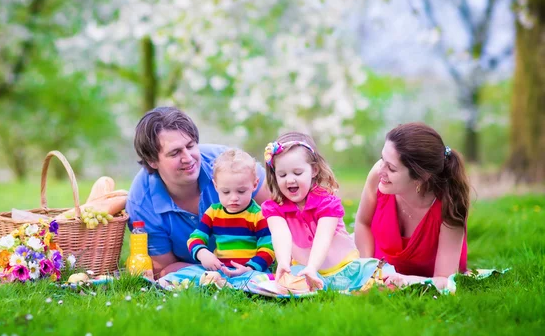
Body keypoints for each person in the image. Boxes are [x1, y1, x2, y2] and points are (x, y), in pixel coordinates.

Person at [126, 107, 270, 278]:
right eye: (175, 152)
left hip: (251, 266)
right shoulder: (142, 204)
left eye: (190, 146)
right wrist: (216, 274)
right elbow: (163, 269)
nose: (188, 158)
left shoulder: (228, 165)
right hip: (198, 270)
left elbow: (280, 209)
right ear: (152, 161)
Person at [262, 132, 393, 292]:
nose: (290, 179)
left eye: (297, 173)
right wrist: (283, 262)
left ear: (314, 170)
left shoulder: (326, 202)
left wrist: (312, 267)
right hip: (304, 271)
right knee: (288, 284)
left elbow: (323, 237)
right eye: (282, 174)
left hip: (345, 268)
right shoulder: (275, 208)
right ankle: (315, 285)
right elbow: (280, 234)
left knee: (382, 277)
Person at [354, 122, 470, 290]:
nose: (381, 170)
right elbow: (362, 222)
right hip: (380, 271)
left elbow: (445, 280)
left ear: (421, 177)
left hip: (424, 278)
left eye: (392, 168)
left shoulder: (450, 205)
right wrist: (365, 269)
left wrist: (405, 281)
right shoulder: (377, 176)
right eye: (382, 160)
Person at [157, 149, 275, 288]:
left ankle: (238, 285)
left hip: (249, 271)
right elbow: (195, 238)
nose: (234, 197)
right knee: (190, 271)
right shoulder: (213, 212)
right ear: (216, 186)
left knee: (262, 280)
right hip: (219, 270)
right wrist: (202, 253)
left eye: (241, 191)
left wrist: (249, 268)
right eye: (226, 191)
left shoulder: (258, 215)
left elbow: (268, 248)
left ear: (254, 185)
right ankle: (169, 283)